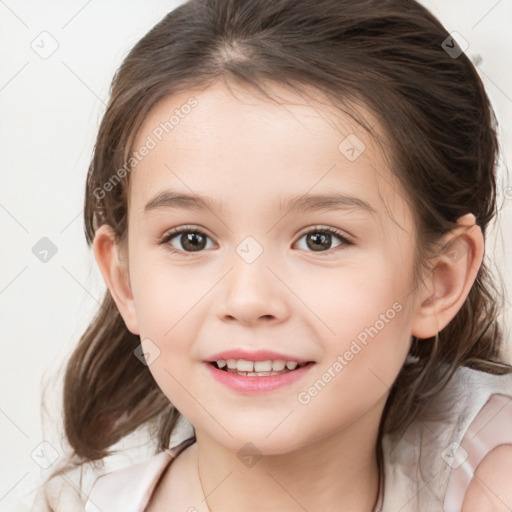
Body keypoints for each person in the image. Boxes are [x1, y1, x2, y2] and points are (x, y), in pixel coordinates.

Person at [34, 0, 512, 510]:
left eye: (320, 239)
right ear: (124, 280)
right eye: (191, 239)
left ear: (438, 280)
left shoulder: (487, 476)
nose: (247, 299)